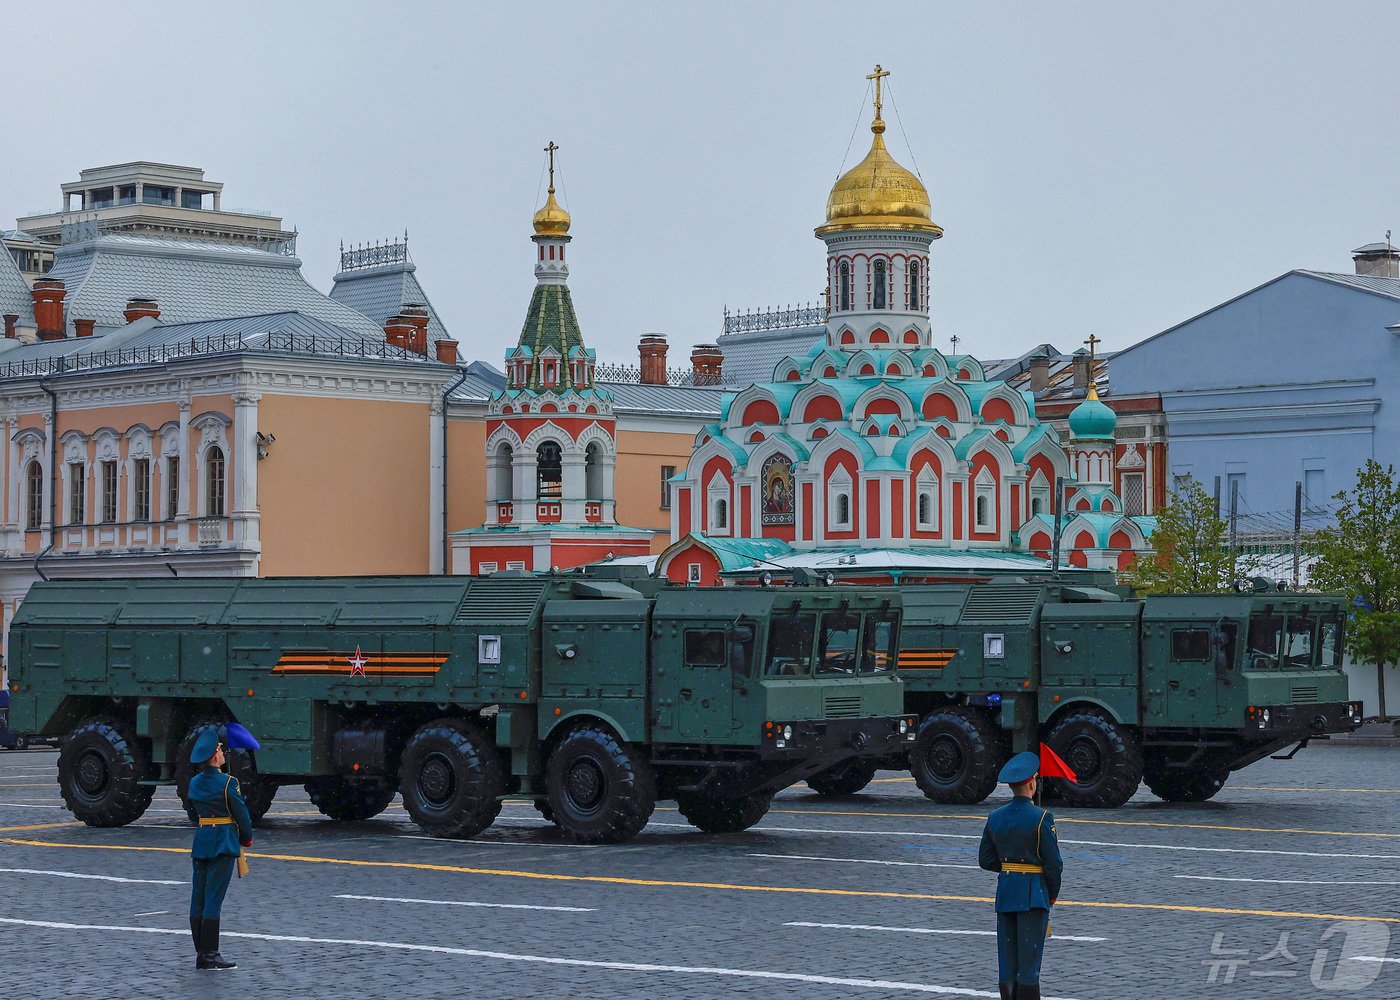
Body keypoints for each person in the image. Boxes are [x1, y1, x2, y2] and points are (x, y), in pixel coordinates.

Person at [978, 751, 1064, 1000]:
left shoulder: (995, 817)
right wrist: (1051, 895)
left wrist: (1010, 870)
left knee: (1007, 962)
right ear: (1031, 783)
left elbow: (985, 860)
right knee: (1029, 964)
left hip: (1006, 894)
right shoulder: (1042, 818)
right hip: (1034, 896)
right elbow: (1054, 865)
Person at [187, 723, 257, 970]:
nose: (222, 753)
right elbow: (242, 815)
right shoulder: (228, 783)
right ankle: (210, 955)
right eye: (219, 749)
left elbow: (194, 814)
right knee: (214, 900)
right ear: (213, 757)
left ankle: (200, 952)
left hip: (202, 841)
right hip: (223, 843)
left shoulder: (194, 782)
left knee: (199, 898)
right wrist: (246, 839)